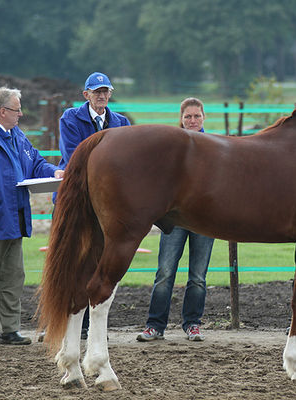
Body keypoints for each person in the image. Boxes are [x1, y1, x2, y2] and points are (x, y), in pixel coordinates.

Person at [0, 87, 64, 346]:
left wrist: (55, 172)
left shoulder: (16, 135)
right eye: (17, 109)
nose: (21, 114)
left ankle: (9, 330)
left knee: (13, 277)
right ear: (2, 111)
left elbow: (36, 162)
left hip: (13, 220)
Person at [55, 72, 131, 340]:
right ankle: (72, 322)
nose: (102, 96)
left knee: (101, 260)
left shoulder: (120, 121)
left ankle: (93, 325)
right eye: (96, 91)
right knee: (76, 260)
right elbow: (74, 156)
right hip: (79, 199)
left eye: (105, 91)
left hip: (106, 203)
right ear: (85, 95)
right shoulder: (71, 118)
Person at [137, 98, 215, 342]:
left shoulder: (214, 147)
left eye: (197, 116)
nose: (193, 120)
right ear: (181, 118)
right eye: (188, 116)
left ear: (204, 118)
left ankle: (192, 324)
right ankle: (155, 325)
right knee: (165, 272)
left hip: (205, 220)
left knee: (198, 276)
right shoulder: (171, 147)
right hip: (175, 219)